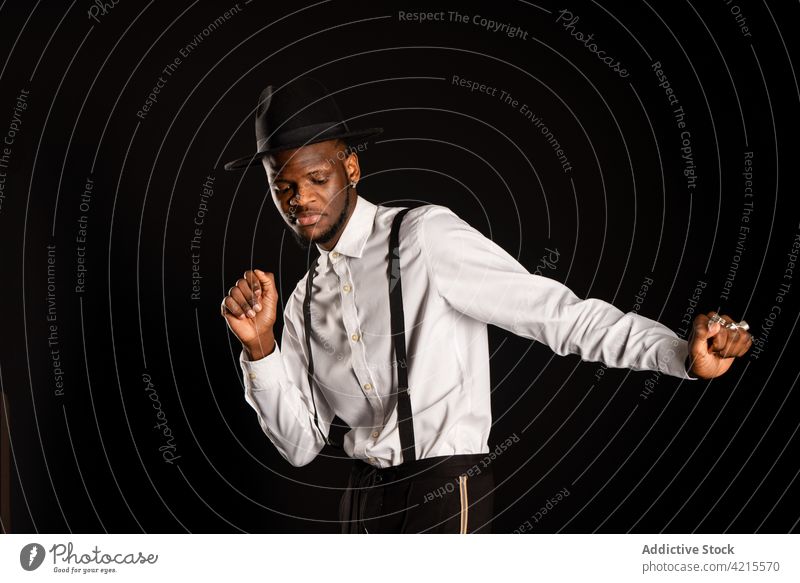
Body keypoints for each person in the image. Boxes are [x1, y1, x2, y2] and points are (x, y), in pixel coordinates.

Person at [220, 77, 753, 533]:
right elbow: (301, 446)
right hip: (359, 502)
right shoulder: (300, 302)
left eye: (317, 179)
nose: (302, 200)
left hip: (444, 487)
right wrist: (260, 347)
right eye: (283, 186)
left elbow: (556, 314)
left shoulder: (423, 236)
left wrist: (680, 354)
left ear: (351, 169)